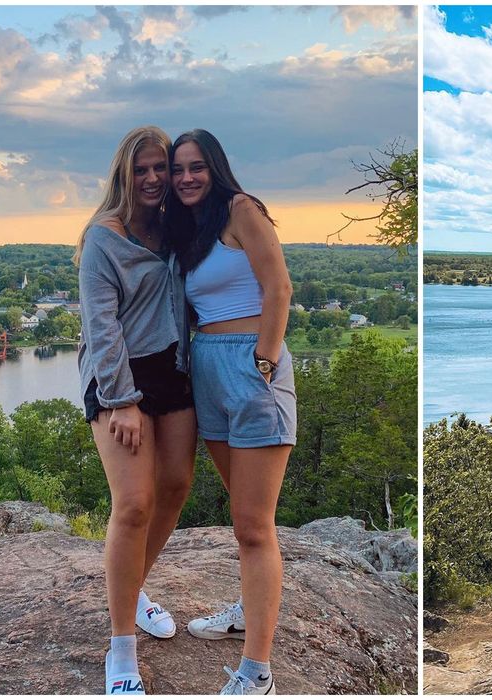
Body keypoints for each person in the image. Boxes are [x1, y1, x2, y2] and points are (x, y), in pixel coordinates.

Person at [167, 129, 295, 696]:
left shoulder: (242, 209)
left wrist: (263, 362)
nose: (186, 177)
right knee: (240, 515)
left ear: (215, 168)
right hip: (207, 372)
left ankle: (257, 672)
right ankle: (247, 612)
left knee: (253, 525)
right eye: (178, 170)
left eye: (196, 167)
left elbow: (279, 288)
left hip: (249, 368)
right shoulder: (190, 230)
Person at [74, 126, 197, 695]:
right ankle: (120, 650)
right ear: (124, 174)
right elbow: (100, 327)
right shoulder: (104, 238)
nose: (152, 178)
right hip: (119, 373)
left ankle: (134, 588)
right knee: (133, 504)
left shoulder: (174, 228)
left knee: (174, 486)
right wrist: (120, 399)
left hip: (173, 367)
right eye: (141, 169)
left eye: (160, 169)